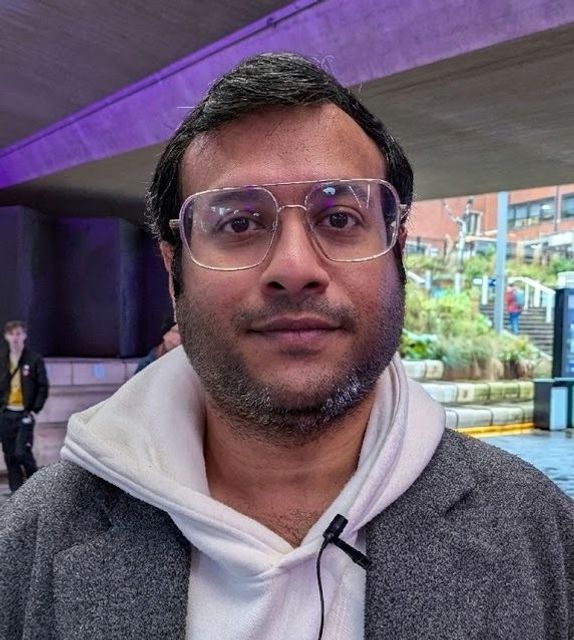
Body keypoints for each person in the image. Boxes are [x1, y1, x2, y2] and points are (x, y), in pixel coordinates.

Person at [0, 53, 572, 639]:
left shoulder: (541, 532)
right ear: (174, 272)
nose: (295, 269)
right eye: (239, 223)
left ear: (398, 253)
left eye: (339, 218)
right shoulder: (27, 543)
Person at [0, 320, 48, 493]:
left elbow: (43, 386)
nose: (15, 338)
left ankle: (36, 487)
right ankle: (17, 492)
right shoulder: (2, 359)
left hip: (24, 413)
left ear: (25, 336)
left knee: (22, 452)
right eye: (12, 334)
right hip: (6, 413)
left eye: (18, 334)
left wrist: (35, 408)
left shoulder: (34, 359)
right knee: (10, 455)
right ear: (6, 337)